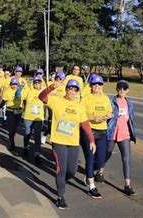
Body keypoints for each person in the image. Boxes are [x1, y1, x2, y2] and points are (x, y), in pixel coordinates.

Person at [39, 78, 96, 209]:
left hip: (73, 143)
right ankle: (60, 197)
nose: (72, 91)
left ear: (77, 92)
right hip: (59, 141)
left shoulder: (79, 106)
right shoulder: (57, 100)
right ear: (66, 89)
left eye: (75, 89)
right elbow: (41, 97)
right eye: (70, 88)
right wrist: (52, 86)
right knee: (61, 169)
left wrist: (92, 140)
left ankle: (62, 181)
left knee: (72, 171)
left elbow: (85, 124)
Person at [80, 74, 113, 199]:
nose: (97, 87)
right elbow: (81, 115)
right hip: (90, 131)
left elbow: (110, 111)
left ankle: (89, 174)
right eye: (95, 84)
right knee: (90, 157)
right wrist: (94, 118)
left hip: (102, 130)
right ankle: (91, 185)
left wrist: (108, 115)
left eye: (99, 84)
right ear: (91, 85)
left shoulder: (105, 98)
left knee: (100, 160)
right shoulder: (86, 99)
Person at [105, 80, 137, 196]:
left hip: (125, 134)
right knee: (107, 153)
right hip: (112, 132)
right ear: (116, 89)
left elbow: (131, 120)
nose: (121, 90)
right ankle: (100, 170)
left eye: (124, 88)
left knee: (126, 159)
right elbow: (106, 115)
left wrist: (132, 133)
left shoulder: (130, 104)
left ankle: (127, 185)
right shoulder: (111, 101)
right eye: (119, 88)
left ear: (127, 90)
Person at [21, 75, 45, 163]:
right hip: (28, 117)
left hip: (38, 118)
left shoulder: (43, 91)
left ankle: (37, 154)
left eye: (39, 82)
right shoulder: (28, 90)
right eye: (35, 82)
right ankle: (25, 147)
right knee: (27, 133)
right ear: (33, 83)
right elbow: (21, 96)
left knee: (37, 136)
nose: (37, 84)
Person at [2, 76, 23, 151]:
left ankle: (11, 137)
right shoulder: (7, 91)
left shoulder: (21, 91)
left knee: (15, 127)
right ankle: (11, 142)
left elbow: (25, 100)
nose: (14, 85)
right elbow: (3, 101)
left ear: (18, 84)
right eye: (13, 84)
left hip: (18, 111)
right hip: (10, 111)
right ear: (10, 84)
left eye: (16, 84)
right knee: (11, 127)